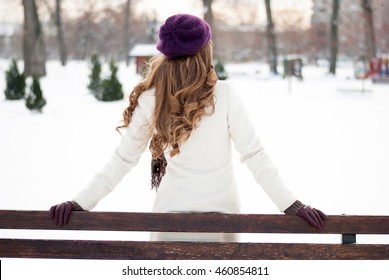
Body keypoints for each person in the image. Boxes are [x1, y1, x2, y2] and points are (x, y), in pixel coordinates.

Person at [50, 14, 327, 241]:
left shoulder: (152, 98)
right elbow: (254, 156)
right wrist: (291, 204)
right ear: (205, 50)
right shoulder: (226, 94)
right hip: (222, 227)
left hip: (168, 225)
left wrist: (79, 203)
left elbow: (123, 159)